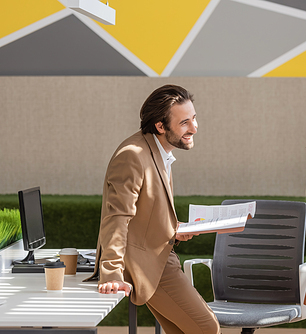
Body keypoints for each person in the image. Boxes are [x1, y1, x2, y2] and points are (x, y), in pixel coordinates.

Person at [86, 84, 220, 334]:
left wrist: (174, 229)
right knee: (206, 328)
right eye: (184, 123)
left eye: (194, 118)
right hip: (146, 263)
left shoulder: (159, 151)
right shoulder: (133, 155)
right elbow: (117, 216)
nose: (194, 128)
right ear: (160, 126)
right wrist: (112, 272)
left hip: (160, 254)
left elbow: (146, 212)